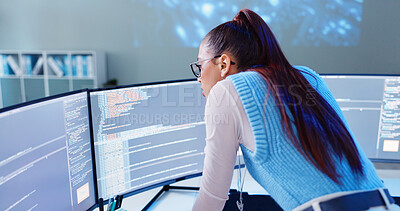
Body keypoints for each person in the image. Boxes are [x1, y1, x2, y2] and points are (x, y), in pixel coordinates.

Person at [190, 9, 399, 211]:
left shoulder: (225, 91)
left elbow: (213, 195)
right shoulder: (307, 77)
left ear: (224, 63)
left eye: (200, 65)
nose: (199, 77)